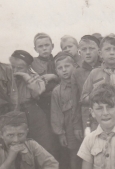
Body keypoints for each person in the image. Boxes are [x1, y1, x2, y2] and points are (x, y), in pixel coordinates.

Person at [81, 35, 115, 127]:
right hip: (99, 120)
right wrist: (98, 95)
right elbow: (84, 97)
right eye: (108, 49)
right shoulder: (94, 73)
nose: (112, 53)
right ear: (100, 54)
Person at [9, 50, 55, 156]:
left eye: (20, 68)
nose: (15, 71)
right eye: (13, 67)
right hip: (14, 113)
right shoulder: (7, 78)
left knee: (42, 145)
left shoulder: (34, 77)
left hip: (33, 113)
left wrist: (26, 77)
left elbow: (37, 92)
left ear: (28, 67)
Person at [31, 32, 60, 160]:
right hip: (42, 104)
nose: (44, 48)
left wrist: (54, 76)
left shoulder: (58, 60)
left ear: (52, 46)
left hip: (59, 102)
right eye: (40, 46)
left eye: (47, 45)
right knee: (47, 136)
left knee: (60, 134)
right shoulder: (32, 64)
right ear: (35, 49)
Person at [51, 52, 82, 169]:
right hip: (69, 129)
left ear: (74, 66)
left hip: (85, 124)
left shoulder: (82, 84)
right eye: (60, 68)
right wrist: (61, 134)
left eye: (67, 66)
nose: (64, 70)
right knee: (74, 155)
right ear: (56, 71)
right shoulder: (57, 91)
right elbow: (56, 114)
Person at [71, 35, 101, 132]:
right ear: (80, 52)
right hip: (88, 118)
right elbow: (75, 102)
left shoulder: (106, 68)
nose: (88, 52)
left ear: (99, 50)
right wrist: (77, 126)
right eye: (84, 49)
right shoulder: (77, 73)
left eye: (91, 48)